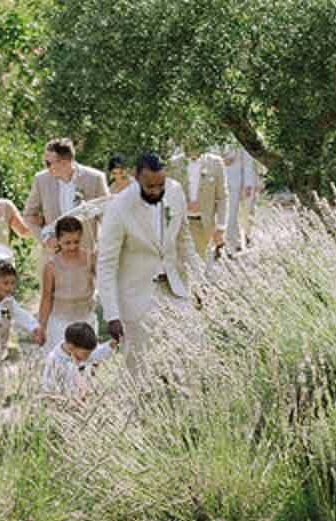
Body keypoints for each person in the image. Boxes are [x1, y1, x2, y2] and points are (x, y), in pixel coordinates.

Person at [96, 152, 203, 364]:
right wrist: (112, 315)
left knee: (191, 352)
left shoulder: (175, 191)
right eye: (150, 187)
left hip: (175, 287)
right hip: (136, 296)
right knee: (140, 367)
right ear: (136, 177)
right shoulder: (119, 208)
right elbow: (106, 264)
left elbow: (184, 241)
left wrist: (200, 283)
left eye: (160, 185)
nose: (156, 191)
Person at [24, 137, 108, 247]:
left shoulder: (95, 178)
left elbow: (107, 217)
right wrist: (46, 239)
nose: (46, 166)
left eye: (48, 163)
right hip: (54, 254)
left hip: (86, 253)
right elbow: (28, 215)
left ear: (65, 162)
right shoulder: (41, 179)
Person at [36, 216, 97, 350]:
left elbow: (104, 280)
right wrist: (41, 327)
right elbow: (46, 298)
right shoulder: (51, 266)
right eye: (67, 243)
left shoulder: (90, 258)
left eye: (76, 241)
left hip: (86, 319)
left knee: (85, 363)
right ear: (58, 241)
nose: (72, 246)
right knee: (62, 363)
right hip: (61, 322)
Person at [166, 141, 229, 265]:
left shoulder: (216, 163)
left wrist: (221, 227)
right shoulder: (173, 164)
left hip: (205, 225)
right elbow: (167, 194)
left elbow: (222, 197)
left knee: (206, 268)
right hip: (181, 224)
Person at [0, 259, 41, 367]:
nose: (10, 287)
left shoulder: (8, 302)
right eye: (5, 283)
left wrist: (35, 327)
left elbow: (21, 315)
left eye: (13, 283)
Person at [40, 320, 114, 395]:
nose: (88, 356)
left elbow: (98, 353)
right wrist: (74, 367)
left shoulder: (81, 353)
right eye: (86, 354)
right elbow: (47, 388)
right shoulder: (54, 360)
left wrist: (113, 343)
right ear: (71, 347)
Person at [223, 142, 262, 252]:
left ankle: (232, 245)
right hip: (213, 183)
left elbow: (247, 162)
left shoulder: (236, 137)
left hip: (234, 183)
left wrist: (248, 184)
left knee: (232, 214)